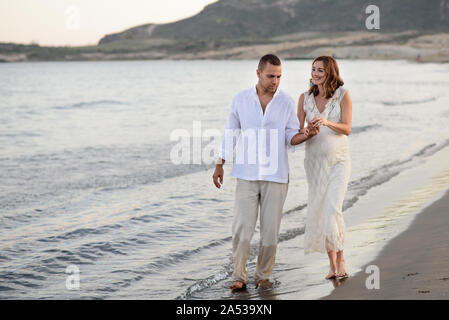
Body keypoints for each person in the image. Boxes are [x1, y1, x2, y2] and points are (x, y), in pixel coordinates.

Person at [213, 54, 313, 290]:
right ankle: (239, 275)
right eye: (271, 76)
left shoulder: (286, 102)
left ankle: (263, 276)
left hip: (276, 175)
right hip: (246, 174)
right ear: (258, 73)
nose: (275, 81)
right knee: (242, 230)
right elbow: (231, 132)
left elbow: (291, 136)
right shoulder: (240, 99)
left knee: (270, 232)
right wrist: (220, 163)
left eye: (279, 76)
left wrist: (307, 134)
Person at [297, 56, 352, 280]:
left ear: (330, 72)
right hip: (314, 163)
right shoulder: (304, 98)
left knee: (332, 209)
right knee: (321, 211)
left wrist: (327, 122)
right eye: (313, 69)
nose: (315, 73)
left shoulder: (343, 95)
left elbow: (347, 128)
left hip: (339, 160)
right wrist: (308, 130)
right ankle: (332, 264)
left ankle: (341, 258)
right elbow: (296, 131)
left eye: (320, 70)